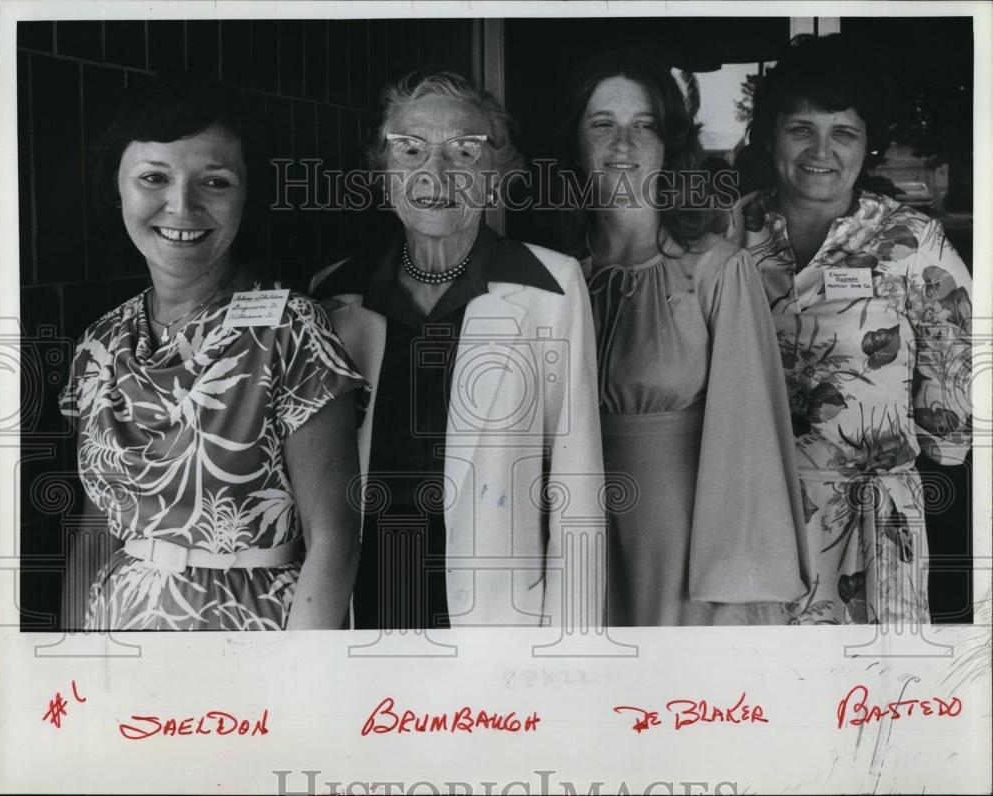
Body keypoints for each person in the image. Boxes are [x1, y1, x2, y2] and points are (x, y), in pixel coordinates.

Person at [59, 74, 366, 630]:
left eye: (216, 182)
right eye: (153, 177)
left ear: (247, 194)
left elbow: (336, 542)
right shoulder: (101, 341)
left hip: (247, 633)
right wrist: (70, 661)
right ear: (118, 189)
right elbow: (93, 529)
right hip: (118, 630)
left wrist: (301, 685)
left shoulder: (288, 325)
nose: (182, 206)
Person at [311, 69, 605, 631]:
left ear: (495, 175)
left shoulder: (550, 287)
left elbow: (579, 484)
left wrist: (570, 642)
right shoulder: (333, 295)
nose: (435, 172)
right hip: (365, 603)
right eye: (411, 150)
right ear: (384, 173)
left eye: (464, 152)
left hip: (497, 613)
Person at [558, 50, 809, 626]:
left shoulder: (716, 270)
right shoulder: (550, 273)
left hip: (686, 551)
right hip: (572, 543)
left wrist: (736, 596)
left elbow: (750, 440)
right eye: (603, 125)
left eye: (644, 126)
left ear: (668, 144)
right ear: (575, 142)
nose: (624, 145)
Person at [738, 34, 973, 624]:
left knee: (866, 694)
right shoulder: (729, 234)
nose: (822, 149)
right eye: (801, 128)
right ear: (769, 136)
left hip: (872, 522)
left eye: (844, 131)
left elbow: (957, 385)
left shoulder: (915, 243)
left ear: (867, 146)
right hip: (746, 512)